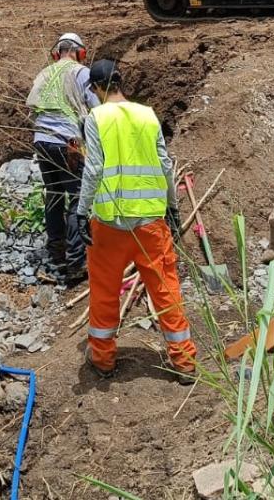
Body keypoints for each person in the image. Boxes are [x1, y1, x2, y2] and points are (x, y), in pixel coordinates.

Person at [72, 58, 196, 379]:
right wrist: (172, 205)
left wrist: (82, 210)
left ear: (97, 88)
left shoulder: (96, 117)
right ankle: (184, 362)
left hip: (109, 225)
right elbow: (166, 164)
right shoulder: (147, 114)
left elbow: (95, 168)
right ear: (120, 83)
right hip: (150, 223)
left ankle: (102, 359)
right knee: (166, 289)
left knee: (104, 291)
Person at [25, 32, 95, 285]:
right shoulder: (81, 73)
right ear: (80, 52)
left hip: (41, 140)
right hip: (69, 143)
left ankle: (56, 251)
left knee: (53, 193)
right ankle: (76, 262)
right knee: (77, 197)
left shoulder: (44, 73)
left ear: (57, 53)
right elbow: (96, 107)